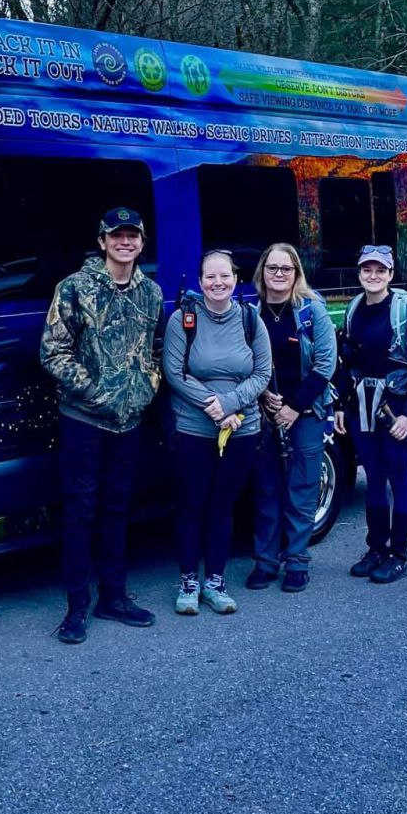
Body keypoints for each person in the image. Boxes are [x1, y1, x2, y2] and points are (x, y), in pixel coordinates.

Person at [41, 207, 164, 644]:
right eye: (117, 236)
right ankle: (76, 608)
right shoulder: (75, 289)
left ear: (142, 244)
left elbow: (151, 350)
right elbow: (53, 352)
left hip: (128, 423)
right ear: (102, 241)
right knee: (79, 512)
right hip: (84, 420)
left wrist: (146, 387)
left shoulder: (151, 293)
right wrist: (99, 395)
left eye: (132, 236)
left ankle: (113, 597)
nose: (124, 242)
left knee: (117, 509)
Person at [163, 249, 272, 615]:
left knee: (223, 505)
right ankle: (189, 581)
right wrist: (213, 404)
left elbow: (262, 374)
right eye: (210, 276)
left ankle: (215, 582)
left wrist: (230, 404)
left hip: (242, 429)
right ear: (199, 282)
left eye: (224, 275)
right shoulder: (184, 320)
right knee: (192, 504)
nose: (217, 282)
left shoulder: (251, 321)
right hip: (194, 427)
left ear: (236, 279)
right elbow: (174, 373)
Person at [332, 244, 407, 584]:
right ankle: (376, 549)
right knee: (373, 478)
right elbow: (348, 362)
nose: (373, 276)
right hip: (362, 406)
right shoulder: (354, 310)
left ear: (391, 274)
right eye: (367, 270)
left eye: (380, 270)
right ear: (359, 273)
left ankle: (398, 554)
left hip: (397, 406)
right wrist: (342, 407)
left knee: (398, 477)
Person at [246, 244, 337, 593]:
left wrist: (294, 407)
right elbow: (245, 362)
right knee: (266, 487)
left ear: (296, 273)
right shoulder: (251, 313)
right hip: (264, 412)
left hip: (307, 411)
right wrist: (262, 394)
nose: (279, 274)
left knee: (302, 486)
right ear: (262, 272)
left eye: (286, 268)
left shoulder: (312, 311)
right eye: (272, 268)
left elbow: (325, 366)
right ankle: (266, 562)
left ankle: (297, 561)